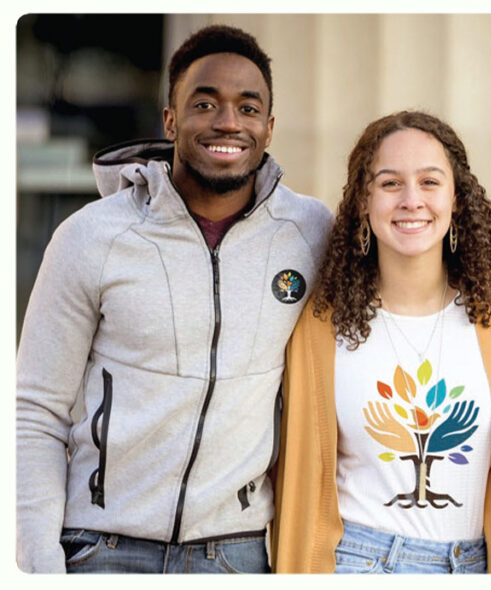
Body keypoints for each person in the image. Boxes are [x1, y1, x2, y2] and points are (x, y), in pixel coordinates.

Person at [15, 25, 333, 573]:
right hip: (101, 547)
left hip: (234, 552)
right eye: (204, 103)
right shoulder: (91, 237)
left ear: (269, 127)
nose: (228, 122)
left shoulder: (309, 233)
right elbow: (34, 412)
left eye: (247, 107)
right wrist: (40, 563)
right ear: (170, 120)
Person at [270, 111, 491, 574]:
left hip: (475, 564)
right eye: (390, 183)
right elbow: (298, 473)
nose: (412, 200)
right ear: (363, 201)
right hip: (359, 563)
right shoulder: (320, 324)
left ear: (456, 199)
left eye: (430, 182)